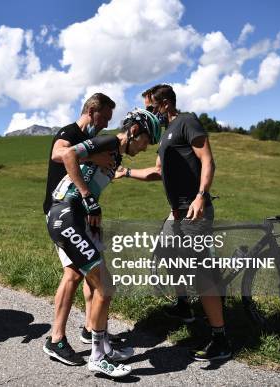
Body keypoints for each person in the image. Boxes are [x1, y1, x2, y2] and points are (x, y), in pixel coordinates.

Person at [116, 84, 231, 361]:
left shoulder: (186, 122)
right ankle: (183, 306)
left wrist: (201, 196)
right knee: (164, 253)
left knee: (200, 274)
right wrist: (127, 172)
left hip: (193, 210)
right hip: (175, 212)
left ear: (165, 104)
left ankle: (220, 338)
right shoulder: (165, 136)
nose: (148, 113)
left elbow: (207, 160)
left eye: (151, 107)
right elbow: (158, 171)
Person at [46, 108, 161, 377]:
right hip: (66, 215)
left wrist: (92, 211)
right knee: (105, 286)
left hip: (77, 218)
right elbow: (68, 153)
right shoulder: (109, 141)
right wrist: (87, 197)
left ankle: (103, 346)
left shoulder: (115, 154)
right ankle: (97, 356)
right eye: (146, 141)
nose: (145, 147)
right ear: (134, 131)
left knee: (96, 282)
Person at [42, 93, 119, 366]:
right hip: (62, 213)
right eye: (103, 119)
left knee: (89, 273)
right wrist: (95, 158)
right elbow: (58, 153)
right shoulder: (70, 132)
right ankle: (56, 339)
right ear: (91, 110)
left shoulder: (90, 136)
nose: (104, 126)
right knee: (74, 274)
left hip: (80, 213)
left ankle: (90, 328)